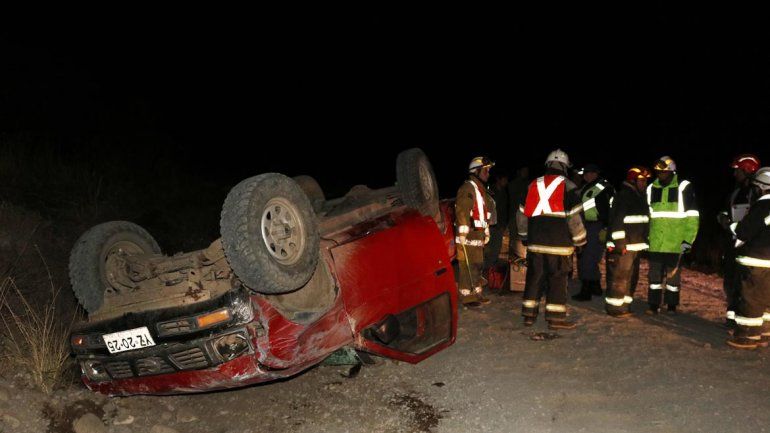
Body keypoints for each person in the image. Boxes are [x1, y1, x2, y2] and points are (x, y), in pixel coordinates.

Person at [516, 149, 586, 329]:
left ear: (548, 165)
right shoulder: (569, 187)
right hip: (559, 246)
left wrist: (524, 236)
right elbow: (575, 219)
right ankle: (555, 319)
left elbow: (521, 215)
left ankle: (528, 316)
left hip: (536, 244)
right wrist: (580, 241)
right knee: (557, 281)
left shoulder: (532, 185)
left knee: (534, 278)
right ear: (565, 167)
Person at [646, 156, 699, 315]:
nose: (660, 174)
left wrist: (688, 240)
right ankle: (653, 305)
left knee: (673, 278)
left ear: (671, 171)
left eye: (663, 171)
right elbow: (648, 216)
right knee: (654, 277)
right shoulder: (651, 188)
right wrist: (646, 237)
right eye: (658, 171)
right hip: (656, 242)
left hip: (675, 243)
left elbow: (693, 216)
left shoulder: (683, 187)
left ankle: (671, 306)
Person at [726, 166, 770, 350]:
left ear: (762, 187)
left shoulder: (763, 205)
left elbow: (744, 231)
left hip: (756, 260)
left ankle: (747, 336)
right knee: (765, 298)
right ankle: (764, 332)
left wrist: (730, 225)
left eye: (756, 187)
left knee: (750, 298)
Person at [718, 154, 761, 328]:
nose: (735, 174)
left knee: (746, 283)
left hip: (750, 244)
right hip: (733, 241)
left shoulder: (757, 192)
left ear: (748, 170)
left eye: (738, 171)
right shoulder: (736, 192)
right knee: (731, 279)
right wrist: (723, 218)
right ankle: (732, 316)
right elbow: (726, 210)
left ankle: (744, 320)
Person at [604, 166, 651, 317]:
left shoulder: (639, 196)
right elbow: (617, 222)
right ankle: (615, 308)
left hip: (634, 245)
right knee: (619, 277)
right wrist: (619, 244)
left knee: (631, 277)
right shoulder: (624, 196)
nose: (644, 183)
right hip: (623, 246)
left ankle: (625, 306)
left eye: (645, 181)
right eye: (641, 180)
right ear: (633, 180)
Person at [455, 156, 495, 307]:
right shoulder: (467, 188)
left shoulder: (481, 191)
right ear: (476, 171)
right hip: (468, 236)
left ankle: (477, 294)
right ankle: (467, 297)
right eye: (486, 171)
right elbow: (462, 211)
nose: (488, 174)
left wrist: (486, 231)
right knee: (467, 267)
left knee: (477, 265)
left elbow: (485, 214)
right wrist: (463, 233)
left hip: (478, 235)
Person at [573, 163, 614, 301]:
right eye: (586, 173)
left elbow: (608, 209)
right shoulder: (589, 187)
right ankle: (596, 286)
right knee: (590, 257)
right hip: (588, 225)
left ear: (596, 173)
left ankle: (586, 291)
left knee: (588, 258)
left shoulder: (602, 188)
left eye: (591, 173)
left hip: (595, 226)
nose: (587, 175)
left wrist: (605, 227)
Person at [484, 172, 510, 270]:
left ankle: (491, 270)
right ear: (498, 179)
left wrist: (504, 224)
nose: (506, 182)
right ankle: (485, 269)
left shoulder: (504, 192)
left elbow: (505, 209)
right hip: (490, 225)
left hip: (500, 225)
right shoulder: (490, 191)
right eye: (504, 179)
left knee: (496, 249)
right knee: (488, 249)